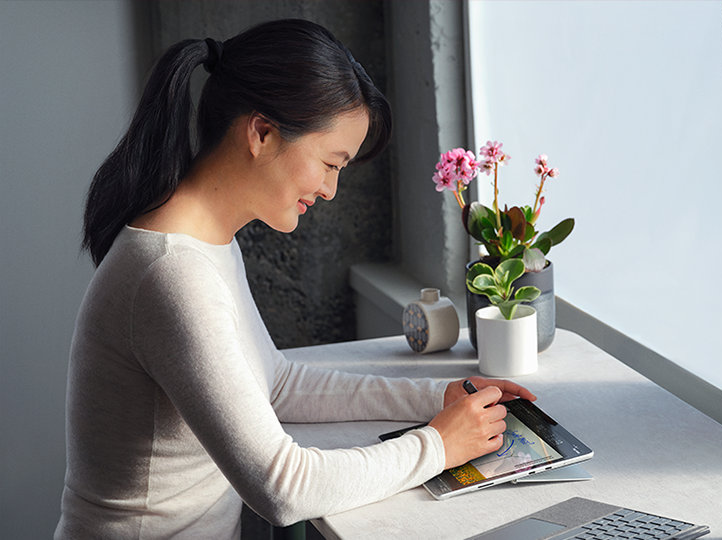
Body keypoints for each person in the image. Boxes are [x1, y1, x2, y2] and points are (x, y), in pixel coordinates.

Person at [55, 19, 535, 539]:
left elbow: (277, 384)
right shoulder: (172, 273)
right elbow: (283, 489)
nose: (331, 190)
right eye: (331, 163)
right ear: (261, 133)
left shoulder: (204, 242)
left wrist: (438, 399)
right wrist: (438, 446)